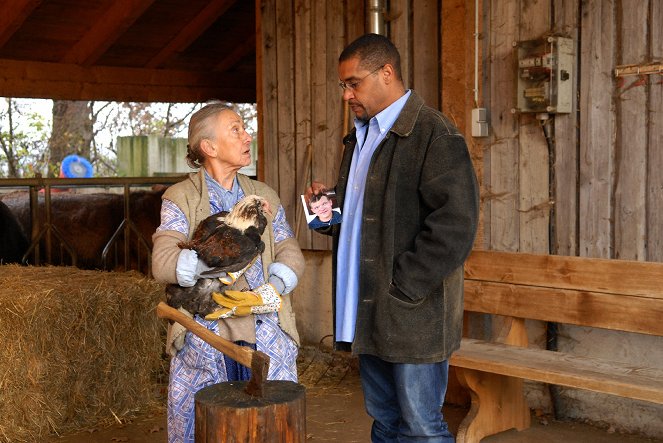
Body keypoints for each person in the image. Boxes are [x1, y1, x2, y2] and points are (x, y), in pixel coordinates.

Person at [306, 34, 479, 442]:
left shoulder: (433, 135)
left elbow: (456, 226)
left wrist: (404, 286)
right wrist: (324, 210)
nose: (347, 94)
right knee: (384, 420)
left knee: (421, 425)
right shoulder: (362, 135)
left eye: (354, 83)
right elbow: (366, 215)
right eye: (343, 86)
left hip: (411, 312)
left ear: (387, 73)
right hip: (368, 310)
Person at [152, 103, 305, 443]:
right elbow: (163, 262)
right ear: (209, 147)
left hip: (264, 324)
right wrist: (217, 260)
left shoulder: (263, 195)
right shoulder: (181, 197)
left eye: (244, 128)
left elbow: (287, 247)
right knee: (208, 425)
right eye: (235, 129)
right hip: (207, 329)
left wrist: (275, 286)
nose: (247, 135)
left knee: (270, 424)